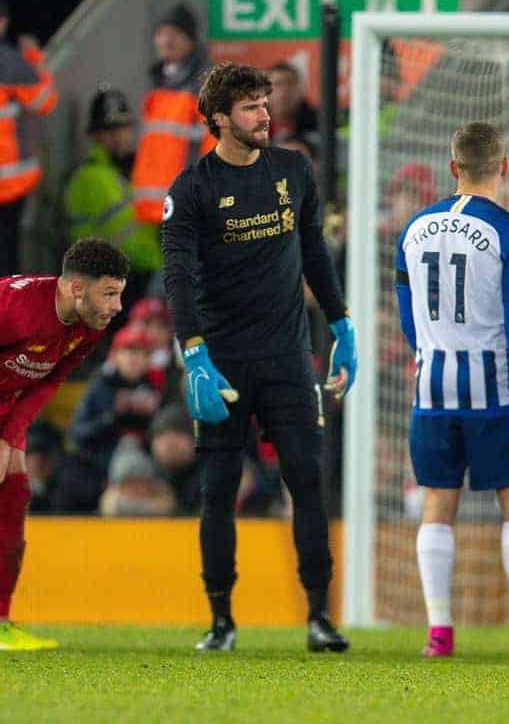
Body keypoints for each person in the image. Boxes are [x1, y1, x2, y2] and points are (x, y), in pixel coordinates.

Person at [160, 62, 355, 653]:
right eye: (250, 107)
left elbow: (314, 253)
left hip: (289, 357)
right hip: (222, 361)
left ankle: (320, 616)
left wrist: (341, 322)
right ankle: (221, 619)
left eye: (265, 103)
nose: (263, 115)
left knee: (307, 480)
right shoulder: (190, 190)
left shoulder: (294, 171)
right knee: (218, 489)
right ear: (219, 119)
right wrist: (193, 354)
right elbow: (177, 277)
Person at [394, 122, 509, 660]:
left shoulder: (414, 226)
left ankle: (439, 633)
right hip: (491, 386)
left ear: (453, 168)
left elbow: (407, 316)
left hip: (432, 387)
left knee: (437, 504)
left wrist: (429, 353)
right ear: (503, 167)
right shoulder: (507, 230)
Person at [0, 238, 129, 649]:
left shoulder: (88, 330)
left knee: (14, 495)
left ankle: (1, 623)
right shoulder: (15, 311)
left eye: (120, 294)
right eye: (109, 293)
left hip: (7, 405)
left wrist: (8, 436)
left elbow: (49, 379)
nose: (117, 307)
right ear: (76, 288)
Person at [65, 86, 161, 305]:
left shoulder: (129, 170)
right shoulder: (92, 177)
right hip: (120, 280)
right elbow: (126, 239)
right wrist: (163, 263)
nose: (118, 137)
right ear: (95, 136)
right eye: (109, 131)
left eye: (122, 128)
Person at [130, 3, 215, 225]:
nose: (167, 41)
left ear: (191, 40)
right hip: (155, 210)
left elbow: (214, 144)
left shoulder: (204, 85)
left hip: (187, 208)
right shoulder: (158, 87)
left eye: (175, 34)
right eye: (161, 34)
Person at [63, 324, 162, 512]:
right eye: (128, 351)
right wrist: (113, 415)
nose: (133, 359)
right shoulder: (100, 387)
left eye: (140, 353)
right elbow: (78, 434)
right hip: (99, 470)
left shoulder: (156, 388)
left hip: (145, 475)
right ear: (116, 356)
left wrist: (154, 418)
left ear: (148, 359)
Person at [0, 0, 58, 276]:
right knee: (8, 253)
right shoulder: (11, 62)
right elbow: (44, 101)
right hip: (11, 183)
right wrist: (35, 58)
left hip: (11, 181)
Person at [267, 62, 319, 158]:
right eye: (277, 84)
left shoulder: (319, 123)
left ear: (301, 89)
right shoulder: (250, 127)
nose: (284, 91)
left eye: (290, 83)